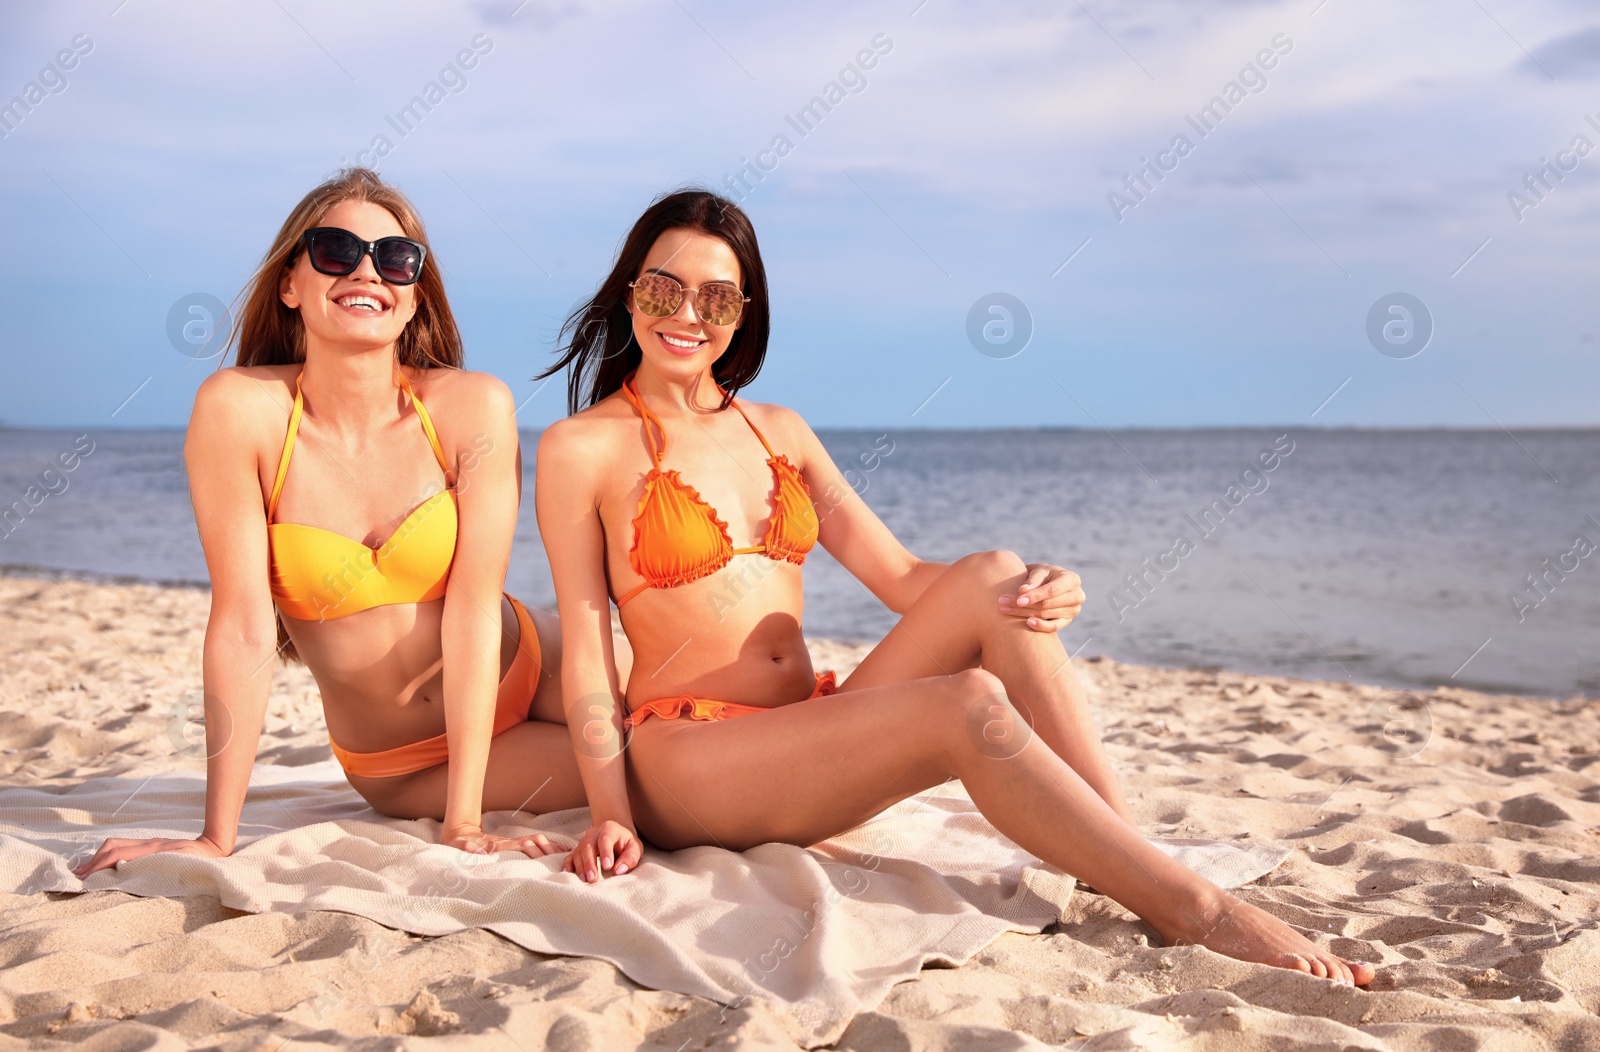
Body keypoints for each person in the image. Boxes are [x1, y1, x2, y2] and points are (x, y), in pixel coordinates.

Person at [533, 189, 1375, 986]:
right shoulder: (583, 448)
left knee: (996, 575)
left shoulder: (777, 430)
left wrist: (1050, 586)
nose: (688, 315)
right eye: (665, 287)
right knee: (966, 701)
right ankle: (1188, 904)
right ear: (629, 290)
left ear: (743, 314)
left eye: (717, 300)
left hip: (802, 730)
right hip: (688, 761)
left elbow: (901, 577)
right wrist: (612, 811)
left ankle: (1123, 855)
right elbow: (585, 648)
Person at [74, 169, 628, 877]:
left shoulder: (472, 408)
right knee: (658, 774)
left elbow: (471, 608)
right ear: (290, 282)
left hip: (538, 662)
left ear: (413, 298)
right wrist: (216, 838)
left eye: (396, 259)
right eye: (336, 250)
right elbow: (243, 626)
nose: (366, 270)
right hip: (404, 764)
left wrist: (465, 824)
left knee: (715, 710)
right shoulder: (240, 411)